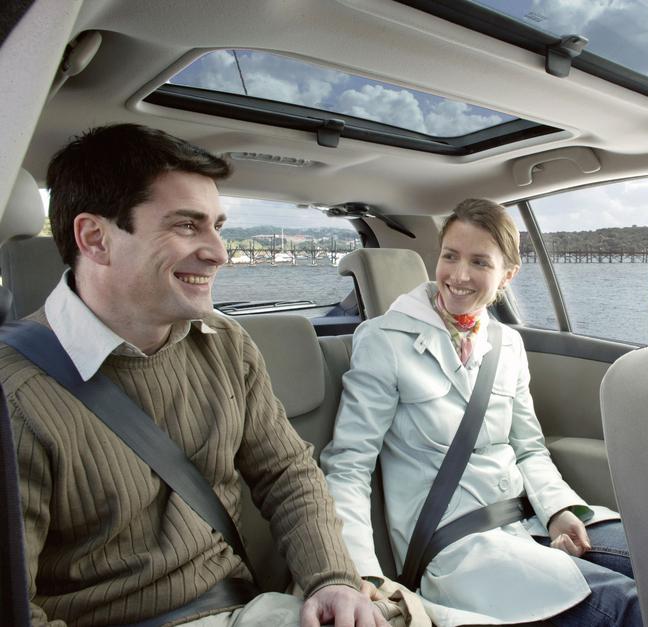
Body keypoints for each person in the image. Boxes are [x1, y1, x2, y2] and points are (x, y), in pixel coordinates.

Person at [5, 124, 387, 627]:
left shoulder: (225, 343)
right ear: (95, 239)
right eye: (187, 225)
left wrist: (333, 580)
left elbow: (287, 474)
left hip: (250, 608)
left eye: (218, 226)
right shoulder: (16, 393)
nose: (219, 252)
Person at [321, 198, 642, 627]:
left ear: (508, 274)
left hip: (529, 519)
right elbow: (349, 466)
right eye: (450, 256)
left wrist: (558, 509)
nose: (458, 275)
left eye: (479, 262)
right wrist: (362, 571)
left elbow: (529, 448)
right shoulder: (385, 340)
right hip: (459, 545)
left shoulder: (507, 344)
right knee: (628, 604)